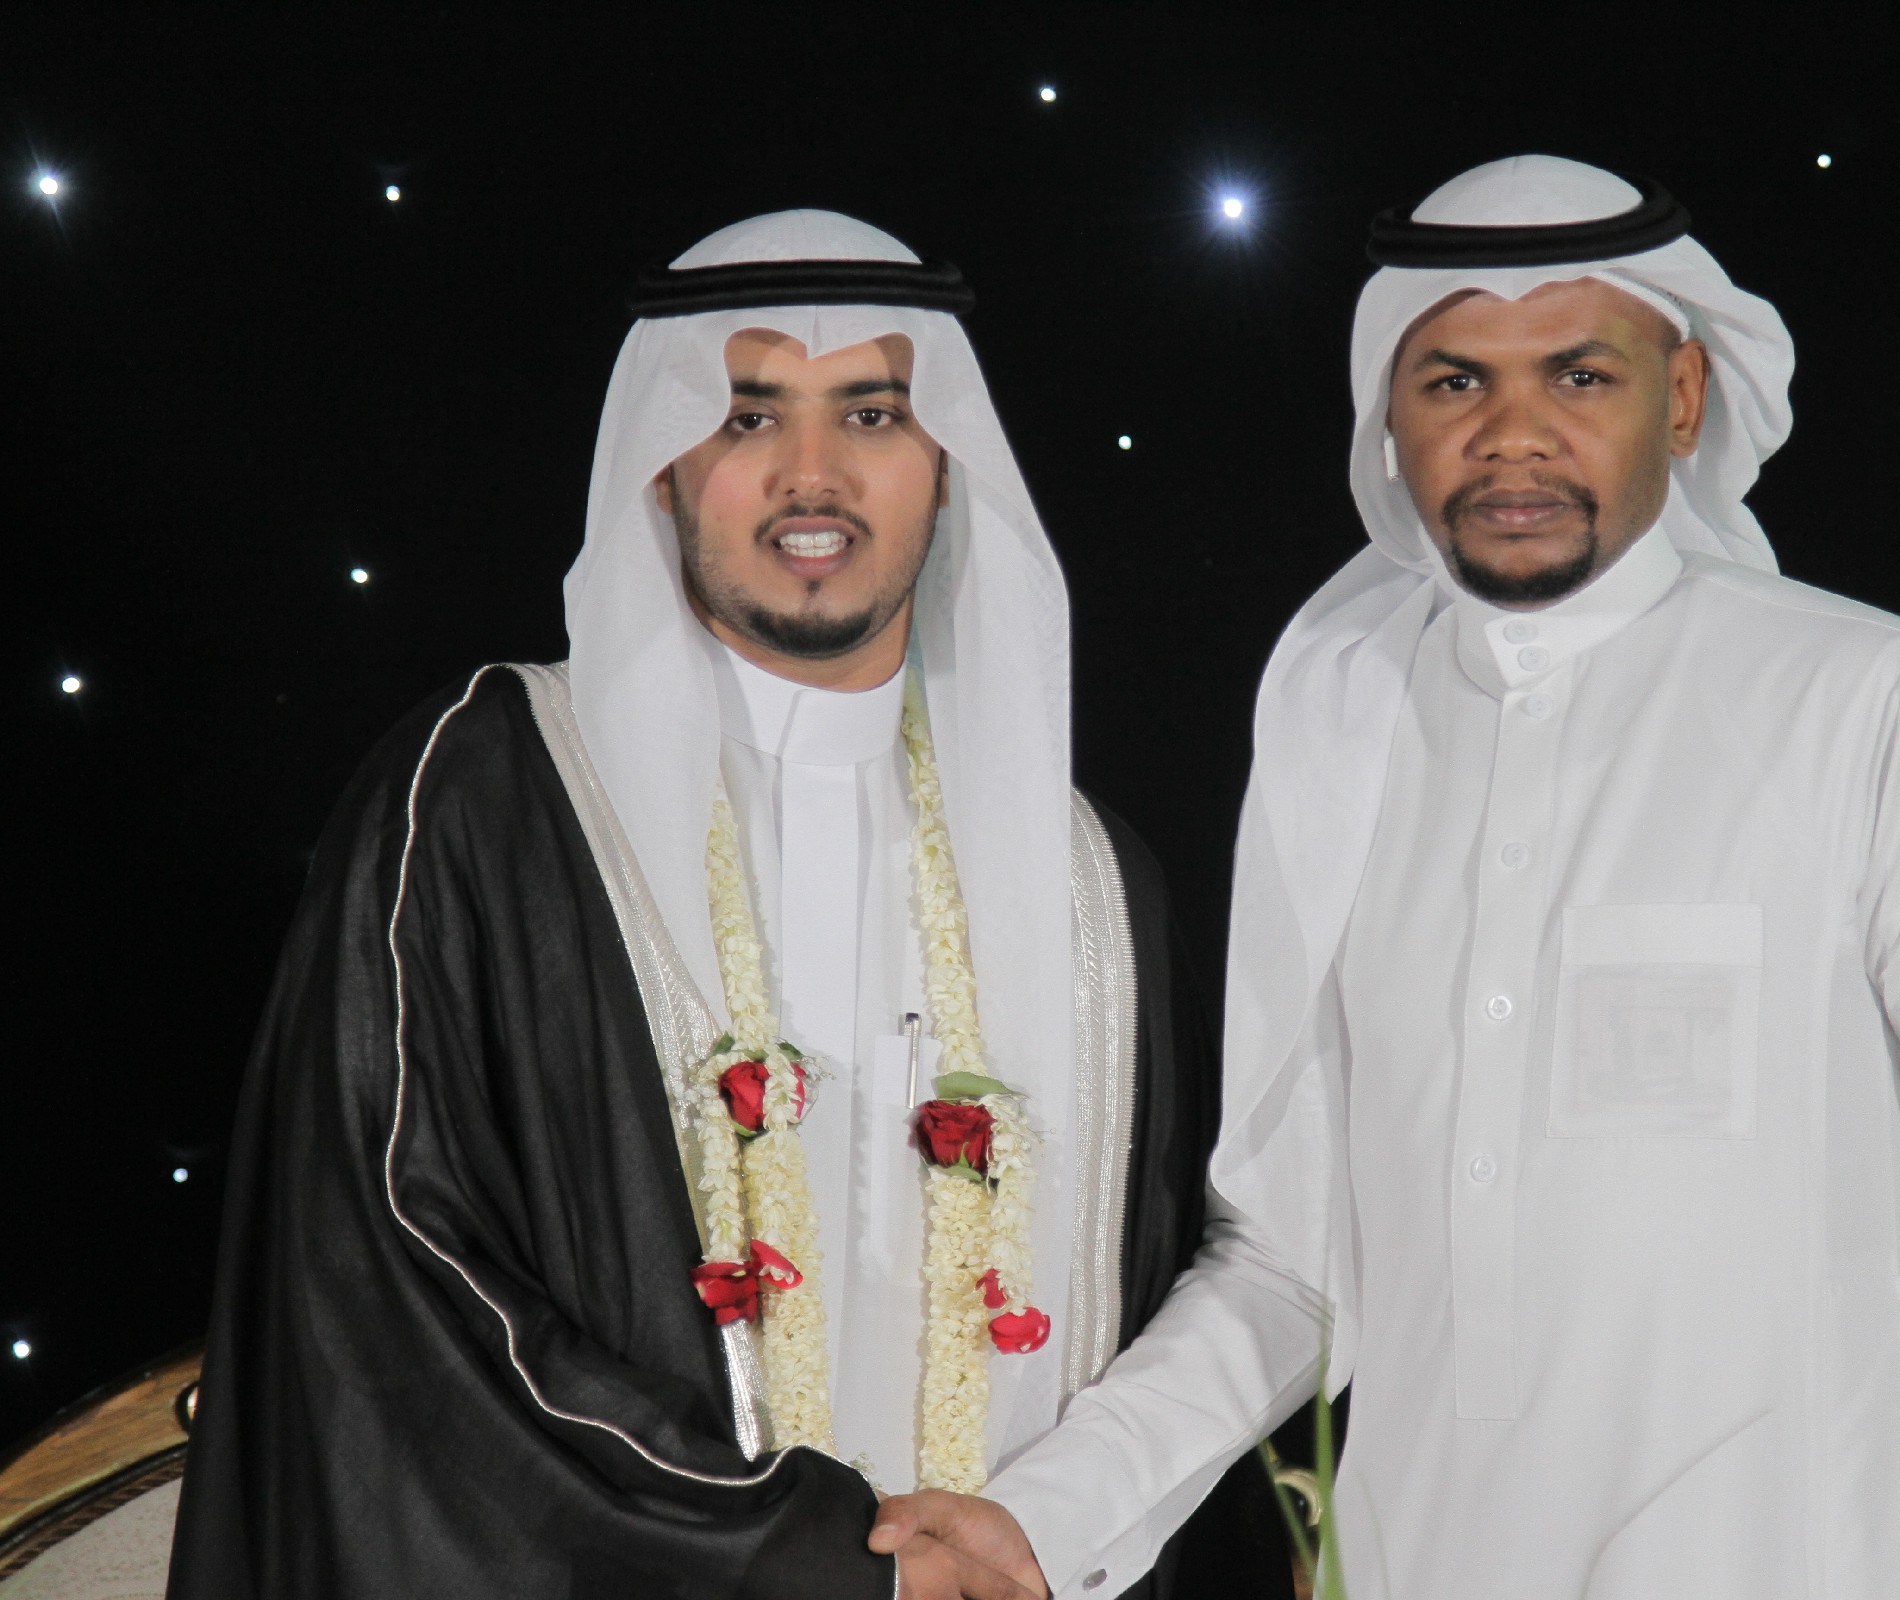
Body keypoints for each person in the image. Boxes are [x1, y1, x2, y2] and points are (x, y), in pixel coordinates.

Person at [878, 156, 1900, 1598]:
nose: (1513, 434)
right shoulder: (1340, 723)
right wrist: (1051, 1513)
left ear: (1682, 399)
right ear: (1389, 418)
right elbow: (1297, 1262)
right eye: (1455, 382)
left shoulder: (1869, 697)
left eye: (1580, 376)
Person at [166, 209, 1287, 1600]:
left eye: (871, 414)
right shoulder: (488, 797)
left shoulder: (1087, 884)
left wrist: (1048, 1526)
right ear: (663, 465)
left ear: (945, 467)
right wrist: (811, 1568)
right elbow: (382, 1293)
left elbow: (1215, 1282)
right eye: (749, 418)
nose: (813, 475)